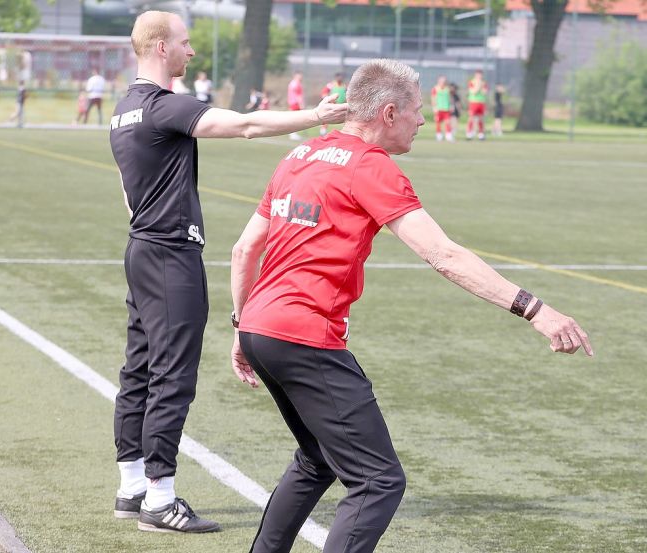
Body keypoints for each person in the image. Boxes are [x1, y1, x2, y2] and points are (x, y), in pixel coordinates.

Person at [228, 59, 592, 553]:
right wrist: (535, 310)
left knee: (318, 458)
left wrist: (241, 327)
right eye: (418, 111)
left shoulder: (299, 155)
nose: (423, 120)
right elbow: (443, 255)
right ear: (391, 112)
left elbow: (245, 249)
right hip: (303, 334)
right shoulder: (371, 166)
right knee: (378, 481)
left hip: (260, 325)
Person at [107, 10, 346, 535]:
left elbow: (129, 196)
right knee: (172, 374)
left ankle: (131, 488)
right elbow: (244, 124)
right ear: (161, 47)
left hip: (141, 248)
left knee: (140, 369)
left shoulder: (123, 109)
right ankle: (160, 497)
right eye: (185, 43)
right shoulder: (162, 107)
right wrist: (316, 115)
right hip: (170, 254)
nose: (191, 52)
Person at [466, 69, 488, 140]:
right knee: (471, 118)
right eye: (478, 74)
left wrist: (480, 86)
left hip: (481, 103)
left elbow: (485, 92)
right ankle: (469, 133)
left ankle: (481, 134)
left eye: (480, 75)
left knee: (481, 119)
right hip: (473, 102)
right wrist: (478, 86)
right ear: (475, 75)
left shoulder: (484, 83)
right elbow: (473, 92)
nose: (479, 76)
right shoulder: (471, 82)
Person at [431, 75, 452, 141]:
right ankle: (439, 135)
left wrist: (451, 105)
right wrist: (434, 107)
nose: (443, 82)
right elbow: (433, 98)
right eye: (441, 81)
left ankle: (448, 136)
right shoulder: (435, 88)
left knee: (448, 122)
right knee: (438, 122)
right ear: (439, 81)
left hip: (446, 109)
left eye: (444, 81)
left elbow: (450, 98)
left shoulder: (447, 89)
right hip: (438, 109)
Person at [287, 71, 304, 140]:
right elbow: (298, 95)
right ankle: (293, 134)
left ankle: (293, 133)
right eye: (299, 76)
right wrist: (301, 104)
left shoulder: (291, 83)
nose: (301, 77)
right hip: (295, 103)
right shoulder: (297, 84)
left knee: (293, 118)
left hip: (292, 102)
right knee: (296, 119)